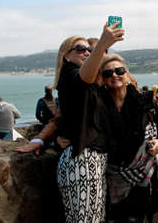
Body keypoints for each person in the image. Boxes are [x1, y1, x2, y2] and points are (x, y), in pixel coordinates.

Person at [56, 22, 124, 223]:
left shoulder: (89, 85)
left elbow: (68, 115)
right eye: (80, 49)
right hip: (83, 159)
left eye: (89, 49)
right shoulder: (70, 75)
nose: (86, 52)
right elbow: (84, 76)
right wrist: (102, 43)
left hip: (91, 158)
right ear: (65, 55)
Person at [101, 54, 158, 222]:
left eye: (119, 70)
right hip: (110, 178)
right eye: (108, 73)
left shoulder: (145, 102)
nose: (114, 75)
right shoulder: (97, 105)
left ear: (127, 74)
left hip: (143, 179)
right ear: (102, 79)